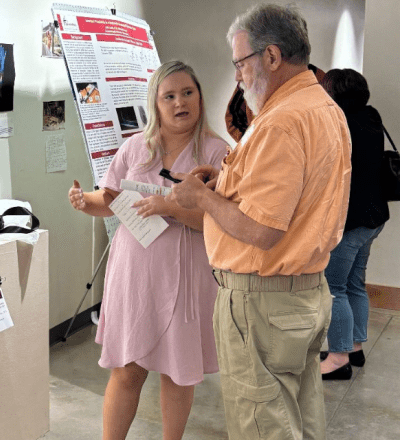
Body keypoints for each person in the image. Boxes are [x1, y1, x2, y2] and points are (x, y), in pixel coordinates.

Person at [166, 4, 351, 440]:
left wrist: (200, 199)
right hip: (302, 293)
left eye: (240, 63)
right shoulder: (323, 107)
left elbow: (262, 230)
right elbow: (296, 195)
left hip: (263, 304)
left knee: (262, 426)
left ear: (271, 57)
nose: (237, 76)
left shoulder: (281, 121)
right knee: (298, 420)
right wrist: (227, 180)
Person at [68, 61, 227, 440]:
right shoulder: (136, 147)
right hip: (135, 276)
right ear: (155, 103)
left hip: (188, 277)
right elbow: (109, 199)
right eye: (168, 96)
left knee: (178, 372)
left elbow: (220, 222)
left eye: (187, 93)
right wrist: (83, 201)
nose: (179, 102)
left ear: (200, 96)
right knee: (127, 370)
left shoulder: (218, 152)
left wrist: (171, 208)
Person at [319, 69, 390, 380]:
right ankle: (354, 348)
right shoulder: (371, 117)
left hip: (351, 221)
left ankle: (337, 358)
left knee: (334, 288)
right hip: (374, 218)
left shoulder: (340, 124)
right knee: (354, 284)